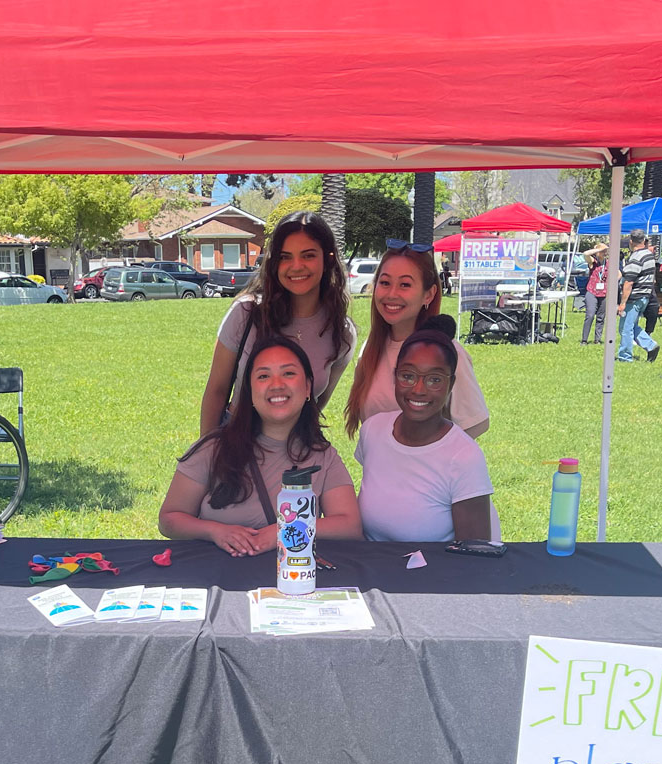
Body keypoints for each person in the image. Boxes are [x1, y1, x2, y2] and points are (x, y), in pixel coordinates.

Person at [158, 336, 362, 764]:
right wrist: (214, 530)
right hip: (214, 594)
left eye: (289, 373)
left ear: (309, 385)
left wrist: (284, 530)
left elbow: (349, 524)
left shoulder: (322, 454)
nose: (277, 385)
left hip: (290, 593)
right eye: (263, 375)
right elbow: (170, 518)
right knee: (201, 675)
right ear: (248, 390)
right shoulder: (214, 449)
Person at [198, 211, 355, 436]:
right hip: (236, 444)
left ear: (328, 259)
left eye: (308, 255)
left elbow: (316, 404)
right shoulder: (247, 313)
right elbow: (216, 390)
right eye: (285, 257)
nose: (296, 266)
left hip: (294, 455)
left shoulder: (342, 331)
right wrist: (205, 458)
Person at [355, 315, 498, 544]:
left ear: (451, 385)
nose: (419, 389)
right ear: (395, 377)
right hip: (372, 574)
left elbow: (474, 556)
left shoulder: (464, 457)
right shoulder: (373, 431)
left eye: (434, 379)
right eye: (408, 376)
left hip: (434, 577)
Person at [343, 240, 489, 440]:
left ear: (428, 295)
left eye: (405, 285)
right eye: (385, 283)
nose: (392, 294)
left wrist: (425, 457)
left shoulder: (445, 352)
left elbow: (476, 422)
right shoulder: (371, 348)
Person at [617, 229, 660, 363]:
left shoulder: (636, 257)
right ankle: (650, 345)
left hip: (634, 297)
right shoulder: (648, 255)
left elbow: (629, 282)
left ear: (631, 241)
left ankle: (625, 356)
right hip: (645, 296)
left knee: (625, 328)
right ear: (644, 240)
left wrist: (623, 303)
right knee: (630, 326)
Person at [580, 244, 609, 345]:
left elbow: (619, 274)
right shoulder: (593, 262)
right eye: (603, 251)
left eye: (605, 251)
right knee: (590, 315)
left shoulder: (608, 263)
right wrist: (597, 249)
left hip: (604, 293)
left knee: (601, 317)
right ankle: (584, 340)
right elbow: (585, 254)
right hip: (592, 291)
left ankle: (597, 339)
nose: (605, 253)